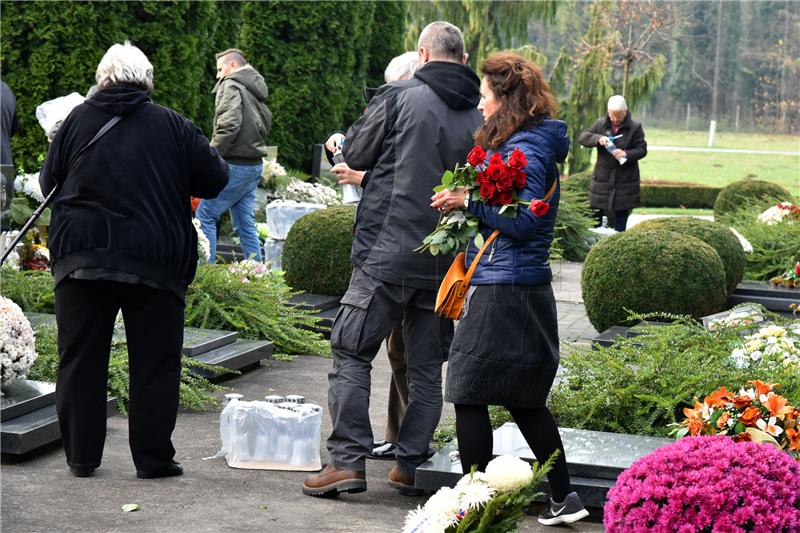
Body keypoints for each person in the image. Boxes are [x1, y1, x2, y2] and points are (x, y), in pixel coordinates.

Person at [303, 21, 482, 498]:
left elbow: (358, 151)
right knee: (425, 367)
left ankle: (346, 462)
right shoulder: (481, 115)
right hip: (444, 260)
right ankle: (410, 463)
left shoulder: (400, 95)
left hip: (386, 253)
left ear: (423, 53)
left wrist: (347, 145)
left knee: (350, 350)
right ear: (463, 59)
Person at [38, 42, 228, 479]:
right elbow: (215, 178)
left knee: (80, 360)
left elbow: (50, 181)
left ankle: (82, 458)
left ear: (102, 79)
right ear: (148, 81)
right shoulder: (173, 125)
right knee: (155, 363)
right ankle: (153, 461)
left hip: (81, 260)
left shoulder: (75, 122)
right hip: (154, 261)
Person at [431, 52, 589, 526]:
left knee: (467, 389)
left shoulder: (530, 149)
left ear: (507, 100)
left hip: (507, 289)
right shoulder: (530, 141)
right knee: (523, 398)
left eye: (484, 97)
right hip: (519, 287)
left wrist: (469, 200)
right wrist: (469, 205)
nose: (479, 106)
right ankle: (565, 499)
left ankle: (474, 506)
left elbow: (522, 221)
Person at [324, 51, 421, 461]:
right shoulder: (420, 107)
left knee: (365, 349)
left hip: (394, 250)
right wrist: (342, 150)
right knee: (405, 354)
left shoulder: (410, 106)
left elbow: (413, 180)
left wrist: (358, 174)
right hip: (408, 250)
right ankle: (401, 443)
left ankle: (373, 453)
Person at [196, 48, 272, 262]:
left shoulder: (230, 85)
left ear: (232, 66)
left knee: (205, 215)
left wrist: (209, 156)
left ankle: (205, 277)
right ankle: (257, 274)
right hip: (254, 164)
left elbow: (229, 125)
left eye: (220, 69)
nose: (218, 75)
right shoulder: (254, 88)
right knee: (244, 223)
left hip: (234, 166)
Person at [578, 94, 647, 232]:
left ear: (625, 112)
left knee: (620, 226)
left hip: (625, 181)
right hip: (602, 180)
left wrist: (626, 154)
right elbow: (583, 137)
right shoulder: (600, 124)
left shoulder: (635, 127)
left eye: (619, 116)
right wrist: (598, 138)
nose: (615, 119)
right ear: (608, 112)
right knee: (594, 225)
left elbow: (642, 150)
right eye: (612, 116)